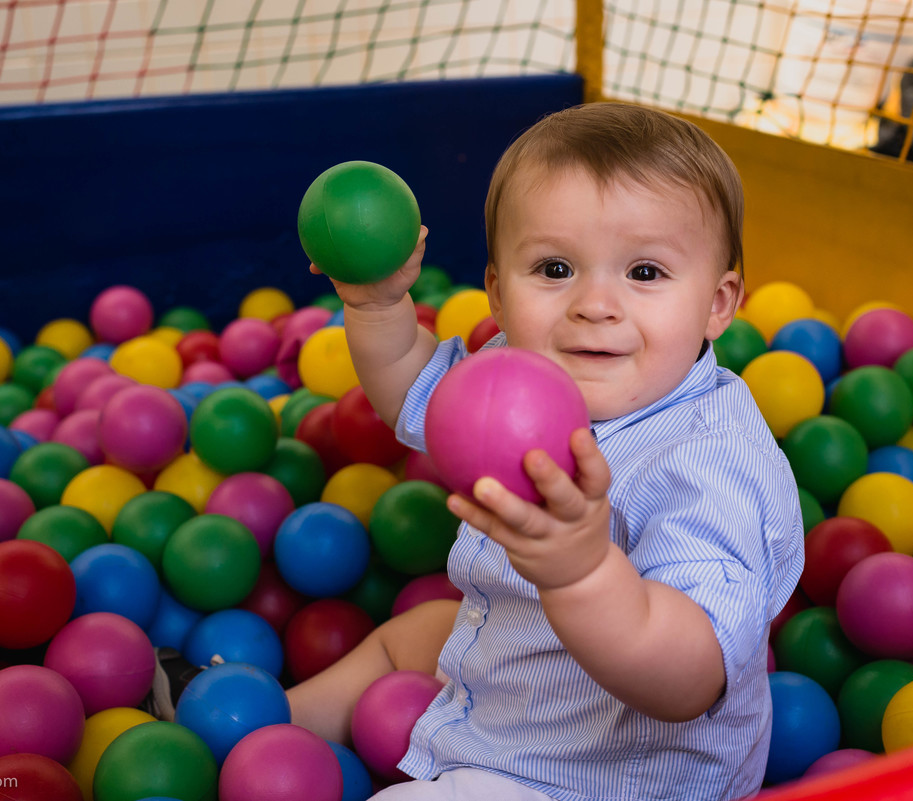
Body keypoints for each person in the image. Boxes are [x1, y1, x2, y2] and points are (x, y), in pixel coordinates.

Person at [287, 101, 805, 801]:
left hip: (599, 777)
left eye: (645, 273)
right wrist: (380, 308)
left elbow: (689, 677)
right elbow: (418, 393)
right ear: (497, 293)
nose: (595, 304)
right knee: (417, 633)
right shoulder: (518, 369)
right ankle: (261, 724)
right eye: (555, 268)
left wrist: (583, 570)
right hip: (526, 671)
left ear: (718, 302)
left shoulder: (708, 463)